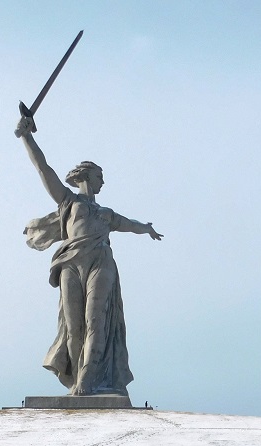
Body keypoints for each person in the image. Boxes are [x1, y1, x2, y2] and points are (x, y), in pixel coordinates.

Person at [16, 114, 163, 397]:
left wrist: (146, 229)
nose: (103, 182)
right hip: (71, 262)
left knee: (97, 318)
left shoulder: (106, 214)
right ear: (85, 176)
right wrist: (27, 136)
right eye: (99, 177)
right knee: (74, 326)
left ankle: (87, 379)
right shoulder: (68, 201)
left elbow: (129, 224)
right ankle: (76, 380)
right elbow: (42, 169)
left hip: (100, 261)